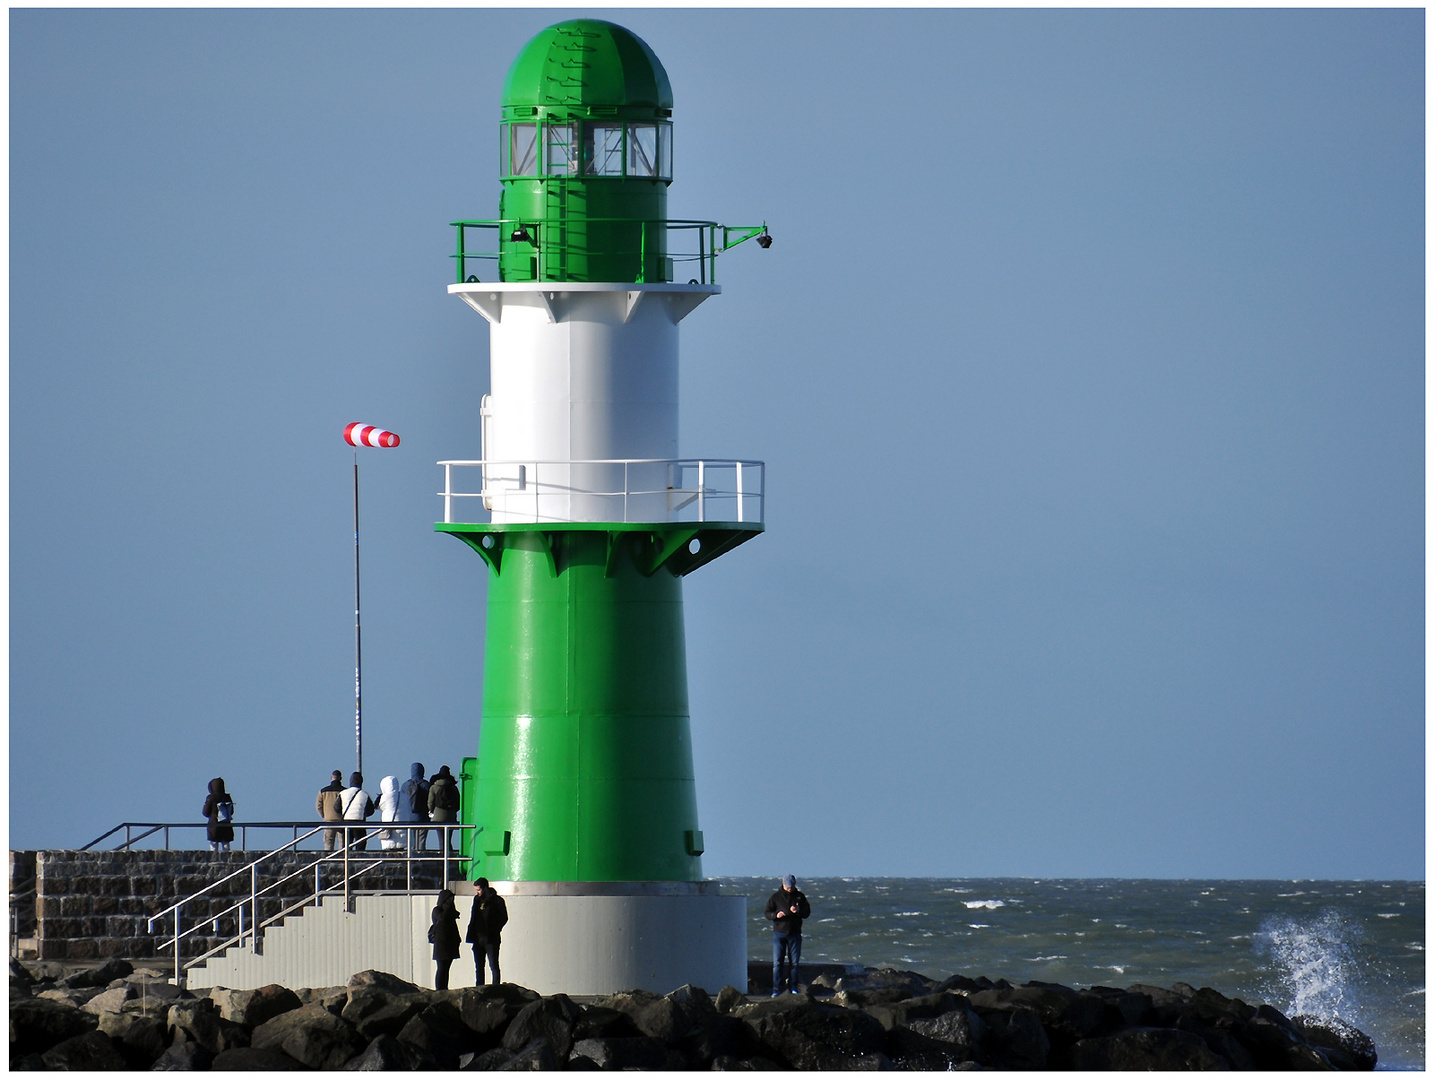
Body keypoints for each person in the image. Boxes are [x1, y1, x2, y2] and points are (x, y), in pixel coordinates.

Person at [765, 874, 811, 996]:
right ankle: (777, 989)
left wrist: (798, 911)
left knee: (794, 962)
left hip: (795, 933)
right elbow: (767, 913)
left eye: (792, 886)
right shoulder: (775, 897)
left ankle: (793, 988)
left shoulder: (800, 897)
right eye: (788, 886)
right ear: (783, 885)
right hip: (779, 933)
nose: (790, 889)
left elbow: (807, 912)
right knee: (777, 963)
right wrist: (776, 915)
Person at [465, 877, 509, 985]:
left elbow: (504, 918)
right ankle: (480, 987)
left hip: (491, 938)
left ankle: (496, 988)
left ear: (485, 888)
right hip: (478, 937)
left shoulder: (497, 901)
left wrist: (494, 930)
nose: (477, 892)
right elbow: (474, 917)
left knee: (493, 965)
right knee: (479, 966)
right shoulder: (476, 900)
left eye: (479, 890)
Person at [430, 889, 461, 990]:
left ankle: (444, 987)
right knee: (441, 968)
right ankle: (440, 988)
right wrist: (447, 907)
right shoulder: (437, 910)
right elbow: (442, 918)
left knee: (446, 968)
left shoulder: (451, 912)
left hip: (450, 943)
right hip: (441, 943)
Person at [339, 771, 376, 852]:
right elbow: (371, 810)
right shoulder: (365, 794)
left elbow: (336, 808)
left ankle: (347, 860)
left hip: (346, 822)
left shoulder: (343, 793)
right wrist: (363, 814)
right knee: (360, 844)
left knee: (347, 845)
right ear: (361, 782)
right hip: (360, 822)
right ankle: (359, 860)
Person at [428, 765, 460, 853]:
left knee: (441, 839)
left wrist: (431, 811)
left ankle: (443, 858)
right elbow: (458, 803)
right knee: (448, 839)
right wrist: (452, 810)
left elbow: (430, 802)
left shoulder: (434, 787)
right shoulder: (454, 788)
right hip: (451, 816)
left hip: (438, 816)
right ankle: (450, 856)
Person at [401, 762, 431, 853]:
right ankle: (421, 858)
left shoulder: (405, 785)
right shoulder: (427, 785)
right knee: (421, 839)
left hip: (409, 817)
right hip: (423, 817)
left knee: (412, 840)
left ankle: (411, 858)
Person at [202, 778, 235, 852]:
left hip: (214, 826)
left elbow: (205, 812)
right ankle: (227, 861)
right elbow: (231, 811)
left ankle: (214, 861)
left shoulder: (211, 798)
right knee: (226, 847)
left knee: (214, 847)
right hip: (226, 826)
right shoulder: (227, 797)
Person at [316, 770, 345, 851]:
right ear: (341, 778)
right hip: (342, 820)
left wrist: (324, 815)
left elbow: (318, 806)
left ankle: (328, 860)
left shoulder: (323, 791)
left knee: (328, 843)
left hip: (328, 820)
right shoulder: (345, 791)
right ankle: (343, 860)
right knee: (343, 844)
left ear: (331, 778)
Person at [377, 775, 404, 850]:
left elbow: (378, 806)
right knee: (402, 853)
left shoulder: (385, 797)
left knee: (390, 855)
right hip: (403, 829)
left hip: (390, 831)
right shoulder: (404, 796)